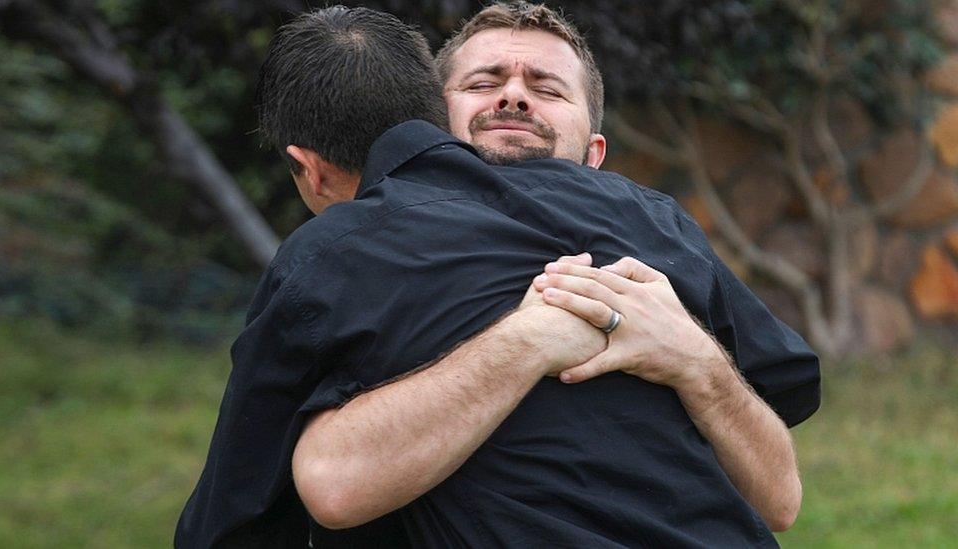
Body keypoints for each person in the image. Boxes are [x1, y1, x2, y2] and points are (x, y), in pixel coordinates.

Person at [176, 4, 819, 548]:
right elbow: (331, 480)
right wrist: (531, 338)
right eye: (485, 81)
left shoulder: (656, 225)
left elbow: (780, 502)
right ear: (429, 121)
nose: (513, 93)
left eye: (546, 88)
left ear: (595, 156)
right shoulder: (356, 253)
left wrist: (697, 361)